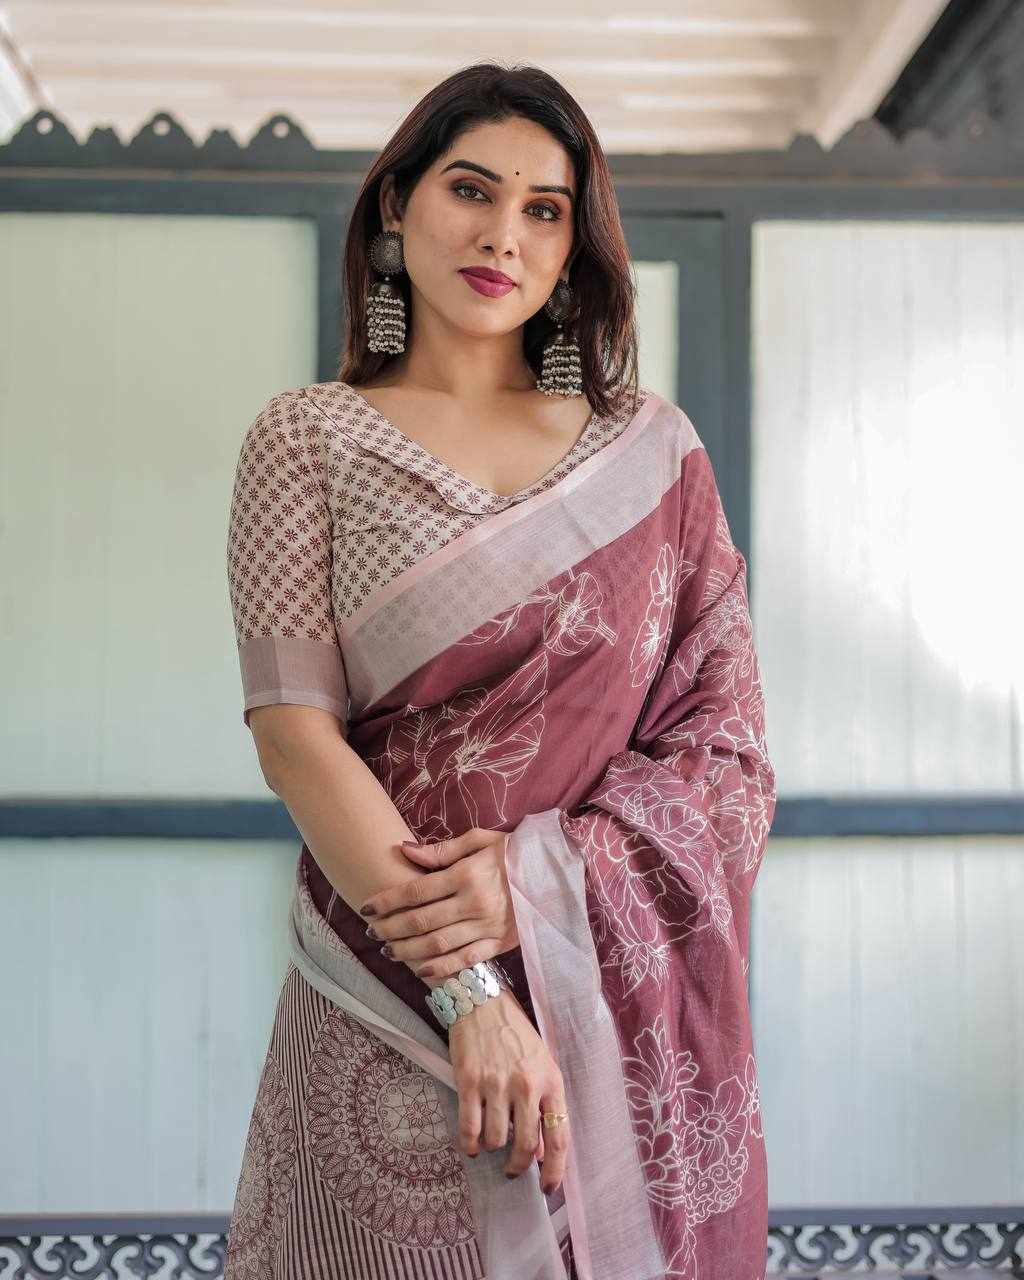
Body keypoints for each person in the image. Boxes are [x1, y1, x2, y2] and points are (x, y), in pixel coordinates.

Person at [223, 61, 776, 1280]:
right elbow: (293, 732)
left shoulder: (653, 453)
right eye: (471, 190)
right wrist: (467, 988)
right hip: (384, 986)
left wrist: (541, 881)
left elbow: (726, 753)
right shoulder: (306, 436)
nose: (503, 234)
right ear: (396, 206)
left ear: (574, 247)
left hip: (603, 999)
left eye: (544, 209)